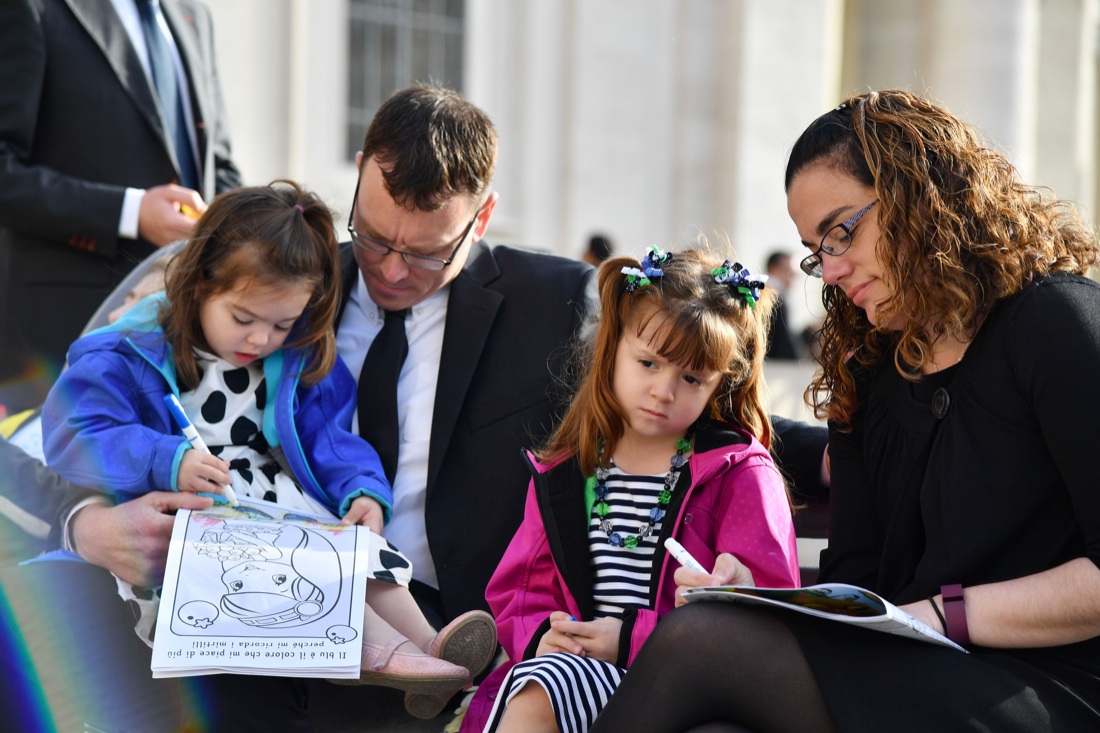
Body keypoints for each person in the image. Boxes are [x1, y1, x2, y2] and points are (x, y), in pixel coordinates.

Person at [1, 85, 828, 730]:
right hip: (231, 642)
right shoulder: (264, 276)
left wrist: (840, 453)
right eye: (373, 233)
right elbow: (47, 429)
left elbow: (689, 395)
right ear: (359, 170)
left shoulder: (555, 302)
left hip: (442, 658)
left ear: (483, 216)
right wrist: (85, 526)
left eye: (426, 252)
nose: (390, 268)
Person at [587, 89, 1100, 733]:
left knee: (703, 638)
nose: (828, 270)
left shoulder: (1055, 323)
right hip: (909, 670)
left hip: (1053, 686)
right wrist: (761, 596)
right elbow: (858, 580)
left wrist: (942, 615)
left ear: (921, 197)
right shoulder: (869, 369)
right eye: (815, 248)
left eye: (841, 232)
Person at [41, 181, 497, 720]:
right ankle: (379, 651)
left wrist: (362, 489)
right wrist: (166, 458)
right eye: (244, 318)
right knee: (308, 569)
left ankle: (430, 645)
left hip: (275, 502)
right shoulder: (126, 352)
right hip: (204, 520)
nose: (261, 340)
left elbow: (330, 436)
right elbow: (74, 431)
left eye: (282, 324)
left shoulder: (296, 355)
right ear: (199, 284)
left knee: (354, 554)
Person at [462, 247, 800, 733]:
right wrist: (543, 637)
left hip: (683, 690)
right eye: (648, 363)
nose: (664, 390)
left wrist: (630, 640)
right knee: (543, 681)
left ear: (718, 386)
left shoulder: (739, 474)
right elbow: (522, 591)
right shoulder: (566, 472)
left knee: (542, 690)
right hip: (569, 676)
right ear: (613, 347)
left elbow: (771, 611)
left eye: (691, 378)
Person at [0, 0, 242, 411]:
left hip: (180, 348)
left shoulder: (193, 16)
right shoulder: (31, 8)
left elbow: (219, 167)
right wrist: (130, 212)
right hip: (63, 344)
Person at [763, 251, 806, 360]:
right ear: (773, 269)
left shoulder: (757, 292)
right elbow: (784, 338)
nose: (793, 279)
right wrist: (799, 359)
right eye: (789, 273)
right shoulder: (776, 297)